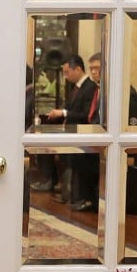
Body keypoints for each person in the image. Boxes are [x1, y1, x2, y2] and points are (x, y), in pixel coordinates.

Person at [46, 54, 99, 212]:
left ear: (77, 69)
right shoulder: (76, 88)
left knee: (79, 160)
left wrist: (63, 113)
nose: (65, 76)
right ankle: (65, 191)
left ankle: (81, 197)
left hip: (83, 134)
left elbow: (85, 115)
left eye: (67, 72)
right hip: (72, 132)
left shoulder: (90, 88)